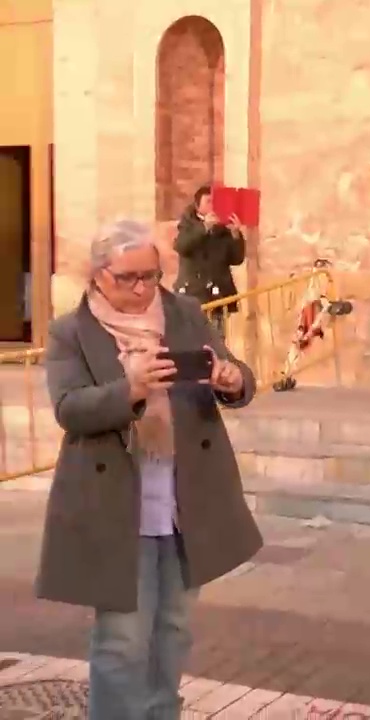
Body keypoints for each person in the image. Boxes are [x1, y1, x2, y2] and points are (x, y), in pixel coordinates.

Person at [37, 219, 262, 720]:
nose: (143, 289)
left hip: (186, 500)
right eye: (129, 278)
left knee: (174, 631)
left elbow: (237, 375)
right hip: (116, 504)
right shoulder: (70, 332)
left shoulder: (184, 313)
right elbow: (70, 408)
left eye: (151, 276)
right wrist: (130, 390)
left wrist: (230, 379)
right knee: (122, 639)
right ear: (98, 276)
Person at [173, 184, 246, 337]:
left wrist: (235, 234)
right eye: (208, 201)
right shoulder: (188, 223)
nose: (213, 205)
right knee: (194, 340)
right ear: (197, 205)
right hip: (194, 294)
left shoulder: (225, 227)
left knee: (217, 340)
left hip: (217, 295)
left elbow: (237, 259)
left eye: (215, 202)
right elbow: (182, 246)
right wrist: (204, 227)